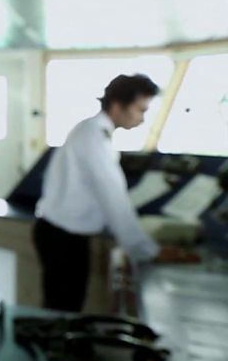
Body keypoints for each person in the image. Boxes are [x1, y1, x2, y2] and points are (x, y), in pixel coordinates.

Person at [33, 74, 169, 312]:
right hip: (63, 237)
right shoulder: (94, 136)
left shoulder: (91, 130)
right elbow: (114, 199)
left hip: (59, 231)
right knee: (64, 308)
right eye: (140, 110)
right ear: (118, 106)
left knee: (62, 306)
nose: (142, 119)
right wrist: (147, 251)